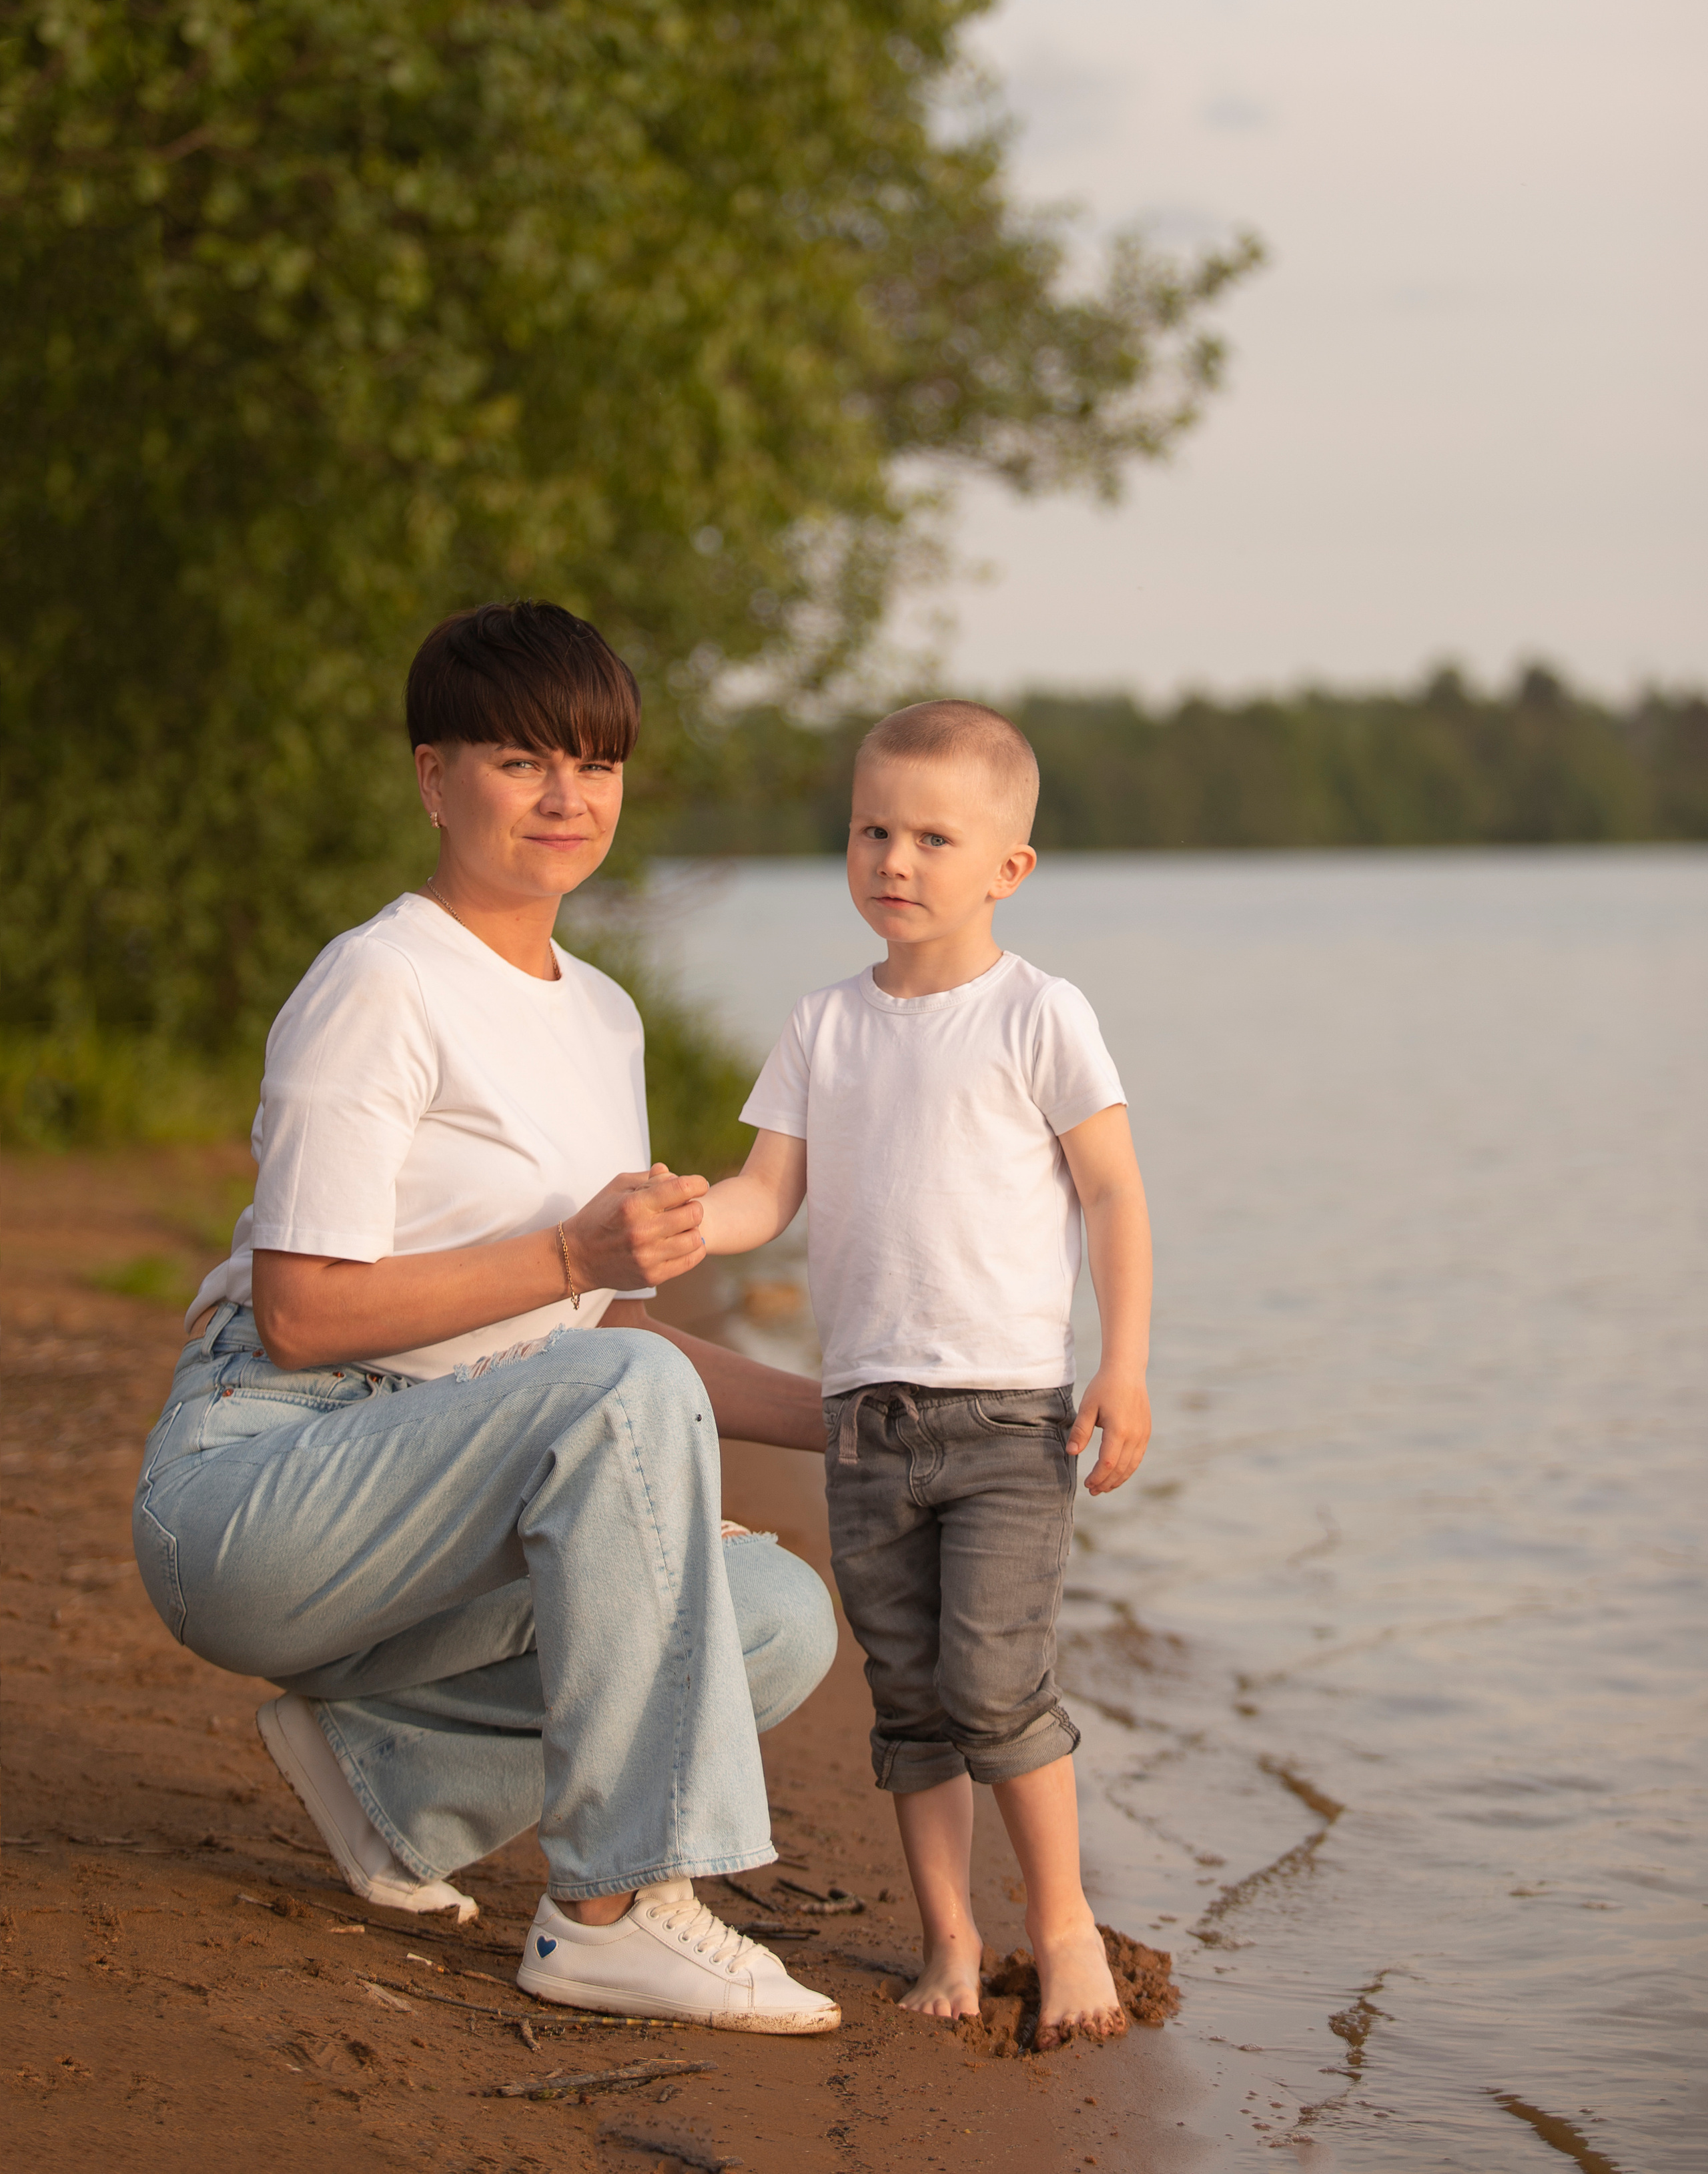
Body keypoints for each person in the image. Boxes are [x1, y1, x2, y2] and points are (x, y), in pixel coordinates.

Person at [133, 601, 841, 2034]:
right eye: (522, 761)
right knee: (612, 1404)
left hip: (440, 1510)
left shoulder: (605, 1018)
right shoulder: (379, 981)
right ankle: (615, 1909)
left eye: (596, 763)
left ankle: (389, 1771)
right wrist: (566, 1249)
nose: (568, 798)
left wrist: (861, 1424)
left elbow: (622, 1342)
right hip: (263, 1487)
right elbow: (300, 1311)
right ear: (431, 776)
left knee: (774, 1620)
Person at [693, 699, 1153, 2049]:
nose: (892, 859)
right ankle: (947, 1933)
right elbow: (761, 1194)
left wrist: (1120, 1368)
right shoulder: (822, 1024)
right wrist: (684, 1214)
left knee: (996, 1682)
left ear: (1005, 868)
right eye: (869, 829)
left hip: (1009, 1419)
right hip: (861, 1428)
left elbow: (1114, 1196)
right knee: (906, 1699)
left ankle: (1060, 1926)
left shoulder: (1038, 1015)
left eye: (930, 837)